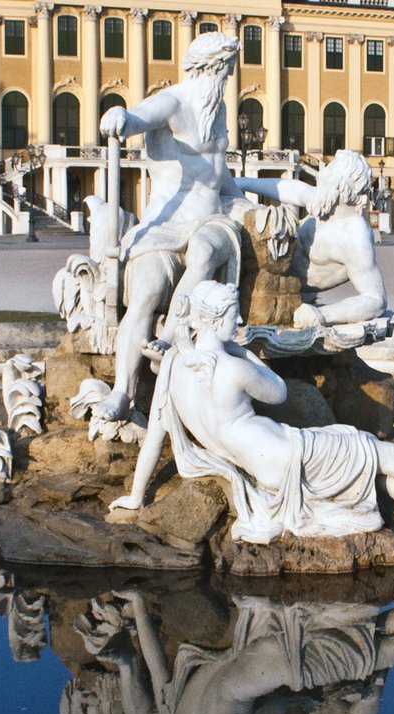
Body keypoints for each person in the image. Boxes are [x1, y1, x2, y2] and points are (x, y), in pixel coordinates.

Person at [110, 281, 394, 541]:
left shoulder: (173, 369)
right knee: (378, 449)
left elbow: (155, 437)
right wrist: (245, 350)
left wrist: (134, 495)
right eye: (232, 313)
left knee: (357, 448)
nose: (239, 318)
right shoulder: (233, 367)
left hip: (270, 462)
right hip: (286, 459)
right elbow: (274, 393)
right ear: (214, 319)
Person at [94, 32, 244, 422]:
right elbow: (140, 116)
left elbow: (216, 172)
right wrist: (121, 117)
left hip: (211, 221)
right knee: (145, 290)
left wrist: (243, 199)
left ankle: (167, 337)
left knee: (205, 251)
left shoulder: (217, 109)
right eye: (226, 70)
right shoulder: (173, 101)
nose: (227, 78)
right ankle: (123, 392)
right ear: (210, 67)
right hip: (165, 225)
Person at [236, 150, 388, 328]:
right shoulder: (326, 206)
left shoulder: (354, 235)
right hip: (259, 266)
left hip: (274, 285)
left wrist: (322, 314)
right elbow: (289, 189)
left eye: (330, 170)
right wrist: (242, 183)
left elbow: (376, 299)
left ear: (343, 184)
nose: (322, 174)